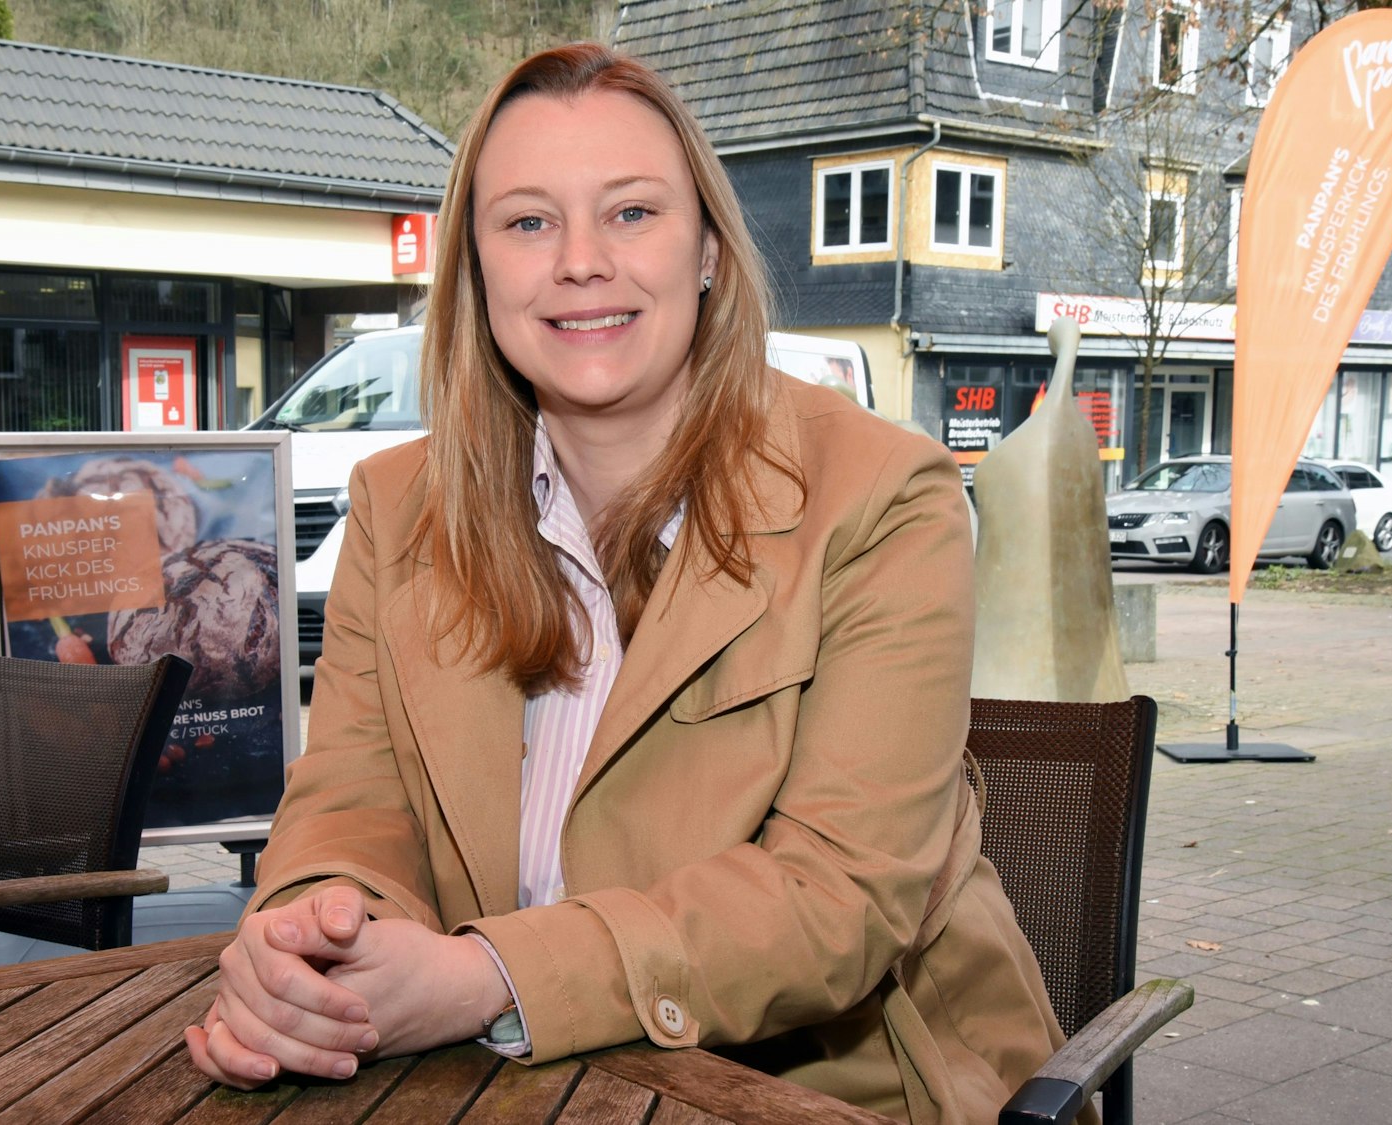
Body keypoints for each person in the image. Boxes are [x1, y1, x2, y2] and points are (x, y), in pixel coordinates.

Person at [186, 42, 1071, 1122]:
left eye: (632, 213)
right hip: (509, 1085)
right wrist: (308, 947)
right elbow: (351, 807)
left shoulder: (884, 496)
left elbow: (836, 904)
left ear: (705, 249)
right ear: (475, 273)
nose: (579, 262)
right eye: (526, 222)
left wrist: (483, 978)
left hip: (832, 1091)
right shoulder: (396, 504)